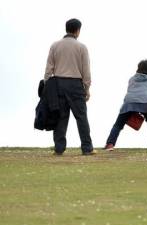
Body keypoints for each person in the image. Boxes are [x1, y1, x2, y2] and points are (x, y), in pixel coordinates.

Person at [44, 18, 96, 156]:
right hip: (75, 85)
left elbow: (49, 69)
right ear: (78, 30)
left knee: (61, 117)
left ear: (66, 29)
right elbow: (86, 71)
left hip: (58, 84)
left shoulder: (55, 45)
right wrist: (87, 88)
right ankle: (87, 148)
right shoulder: (81, 47)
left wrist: (47, 86)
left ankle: (59, 149)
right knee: (81, 117)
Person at [105, 60, 147, 151]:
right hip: (146, 104)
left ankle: (110, 144)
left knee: (118, 124)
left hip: (128, 104)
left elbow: (136, 95)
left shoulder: (131, 79)